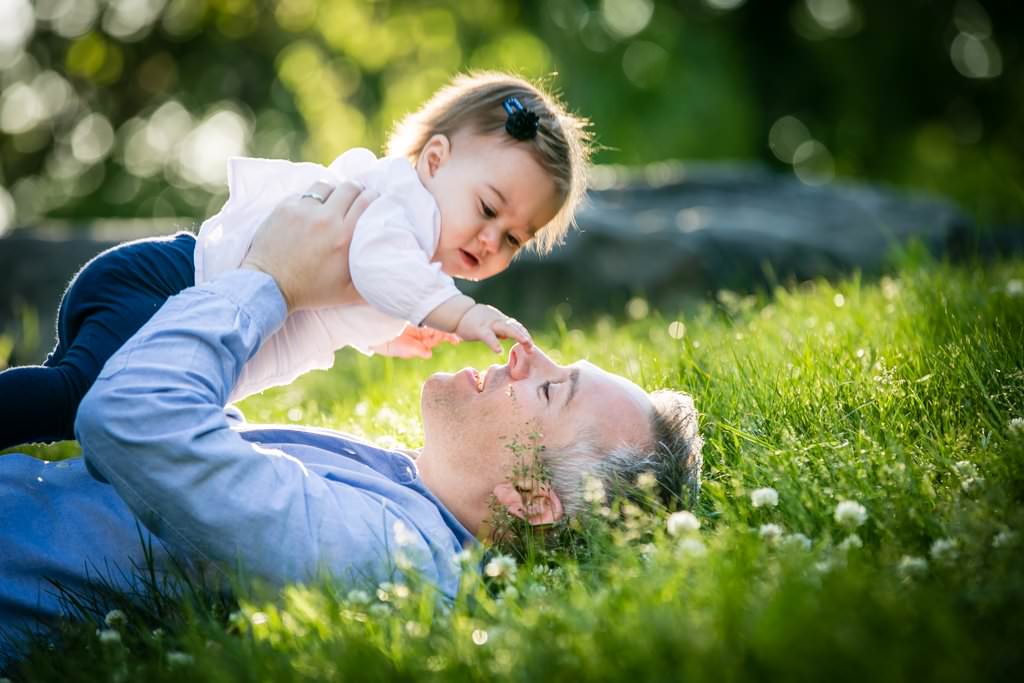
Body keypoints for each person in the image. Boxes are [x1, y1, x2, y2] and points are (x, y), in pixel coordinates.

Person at [0, 180, 703, 662]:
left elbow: (130, 420)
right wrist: (322, 314)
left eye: (551, 391)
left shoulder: (382, 556)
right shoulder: (400, 490)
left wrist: (270, 282)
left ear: (530, 499)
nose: (526, 353)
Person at [0, 71, 591, 448]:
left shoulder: (413, 249)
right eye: (488, 209)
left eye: (514, 239)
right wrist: (458, 314)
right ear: (435, 160)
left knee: (84, 408)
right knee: (76, 396)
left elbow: (338, 300)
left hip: (164, 295)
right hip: (164, 288)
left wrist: (386, 337)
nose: (492, 240)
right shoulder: (402, 204)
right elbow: (376, 262)